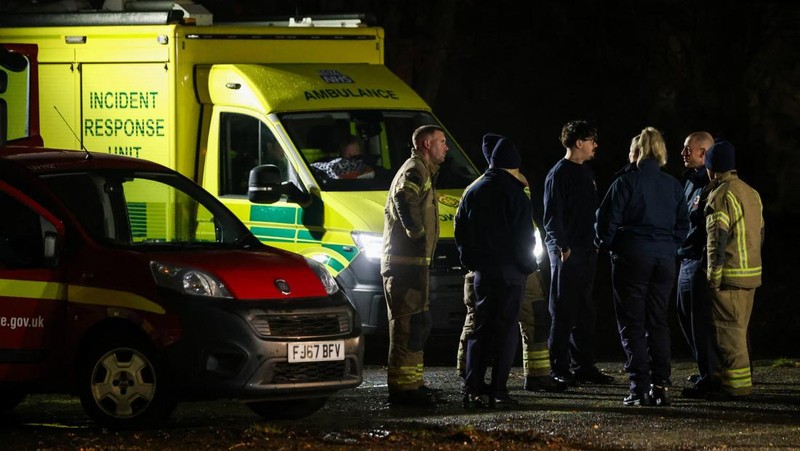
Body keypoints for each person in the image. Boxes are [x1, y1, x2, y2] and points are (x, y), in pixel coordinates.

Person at [455, 135, 564, 395]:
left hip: (483, 272)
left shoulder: (474, 190)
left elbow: (462, 231)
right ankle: (498, 388)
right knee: (506, 330)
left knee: (481, 328)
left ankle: (473, 385)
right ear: (513, 165)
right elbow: (523, 237)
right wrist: (528, 265)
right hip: (512, 273)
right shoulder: (516, 193)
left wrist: (470, 261)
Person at [595, 127, 689, 406]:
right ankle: (660, 386)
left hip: (632, 256)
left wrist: (611, 245)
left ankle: (639, 387)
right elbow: (683, 224)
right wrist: (669, 246)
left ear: (636, 152)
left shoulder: (625, 183)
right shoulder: (672, 184)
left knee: (632, 322)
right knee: (658, 320)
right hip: (664, 259)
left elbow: (606, 224)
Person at [542, 120, 614, 388]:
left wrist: (595, 241)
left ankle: (584, 365)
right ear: (578, 143)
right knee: (563, 309)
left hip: (586, 249)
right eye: (591, 139)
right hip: (568, 252)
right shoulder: (559, 174)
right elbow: (552, 215)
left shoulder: (586, 173)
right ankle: (559, 367)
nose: (596, 145)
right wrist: (562, 245)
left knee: (585, 309)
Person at [381, 124, 448, 406]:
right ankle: (403, 390)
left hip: (414, 265)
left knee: (418, 323)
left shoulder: (423, 170)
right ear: (425, 144)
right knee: (407, 325)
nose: (446, 147)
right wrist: (417, 234)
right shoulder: (414, 169)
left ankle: (413, 384)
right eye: (441, 142)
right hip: (404, 265)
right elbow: (402, 198)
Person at [697, 139, 764, 401]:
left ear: (712, 168)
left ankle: (736, 389)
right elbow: (760, 233)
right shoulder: (751, 193)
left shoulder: (720, 194)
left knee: (729, 337)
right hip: (751, 275)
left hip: (730, 278)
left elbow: (716, 240)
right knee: (740, 331)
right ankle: (735, 385)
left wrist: (712, 277)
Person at [675, 131, 720, 398]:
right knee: (685, 315)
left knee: (701, 321)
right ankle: (705, 368)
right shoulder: (689, 180)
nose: (683, 154)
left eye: (687, 150)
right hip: (685, 256)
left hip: (699, 258)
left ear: (703, 153)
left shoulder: (710, 183)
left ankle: (711, 374)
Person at [310, 134, 375, 179]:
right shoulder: (331, 171)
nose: (351, 159)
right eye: (347, 155)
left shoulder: (371, 171)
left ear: (361, 153)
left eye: (355, 155)